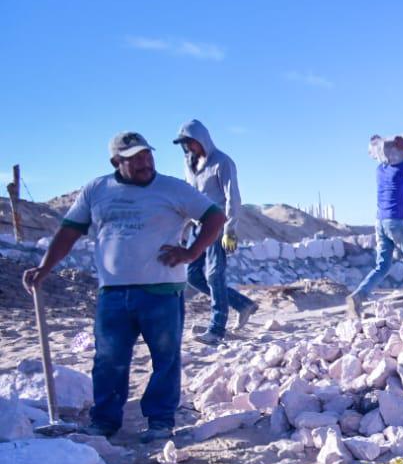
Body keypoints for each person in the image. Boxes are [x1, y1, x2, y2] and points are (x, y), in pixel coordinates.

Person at [22, 132, 223, 443]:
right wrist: (45, 268)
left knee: (165, 358)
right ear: (117, 161)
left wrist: (191, 252)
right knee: (108, 359)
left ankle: (160, 421)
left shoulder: (173, 188)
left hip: (161, 292)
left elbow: (215, 217)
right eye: (135, 158)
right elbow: (69, 231)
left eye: (147, 155)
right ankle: (104, 422)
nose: (145, 162)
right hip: (113, 293)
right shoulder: (97, 190)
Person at [173, 119, 257, 345]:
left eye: (190, 142)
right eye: (184, 144)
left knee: (214, 274)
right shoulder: (188, 164)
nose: (188, 148)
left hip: (218, 224)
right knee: (193, 275)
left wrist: (230, 228)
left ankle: (216, 329)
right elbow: (189, 195)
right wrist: (185, 226)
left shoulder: (223, 162)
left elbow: (233, 197)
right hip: (197, 226)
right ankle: (243, 304)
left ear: (201, 139)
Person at [348, 134, 403, 316]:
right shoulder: (402, 169)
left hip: (379, 222)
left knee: (382, 266)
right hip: (396, 222)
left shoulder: (380, 169)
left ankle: (359, 295)